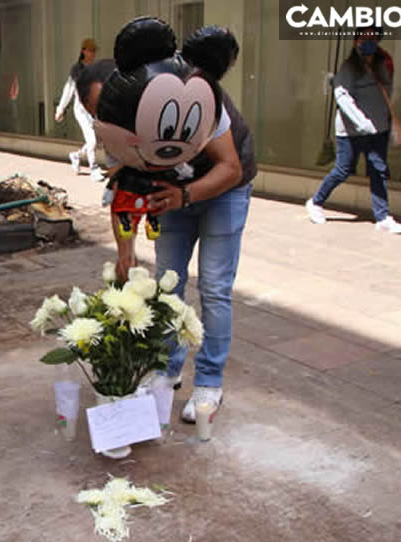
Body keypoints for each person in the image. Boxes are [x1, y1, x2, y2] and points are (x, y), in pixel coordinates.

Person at [106, 25, 252, 424]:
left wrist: (184, 196)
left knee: (214, 288)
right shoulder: (132, 105)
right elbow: (122, 197)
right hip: (173, 193)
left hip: (224, 192)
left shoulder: (205, 101)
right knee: (167, 284)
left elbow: (231, 168)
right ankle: (165, 370)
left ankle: (208, 382)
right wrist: (125, 251)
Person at [305, 27, 401, 234]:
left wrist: (387, 123)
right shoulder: (348, 68)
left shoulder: (381, 65)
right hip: (352, 131)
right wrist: (363, 122)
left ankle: (382, 217)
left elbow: (386, 93)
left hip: (379, 129)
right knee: (342, 170)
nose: (369, 41)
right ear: (356, 42)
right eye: (364, 37)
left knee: (378, 170)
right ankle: (315, 202)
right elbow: (343, 98)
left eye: (373, 38)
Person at [55, 38, 103, 182]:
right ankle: (94, 169)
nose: (93, 53)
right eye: (91, 50)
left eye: (94, 51)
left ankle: (76, 156)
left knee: (93, 141)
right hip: (81, 111)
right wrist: (60, 109)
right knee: (92, 141)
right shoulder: (77, 69)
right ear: (84, 51)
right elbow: (69, 89)